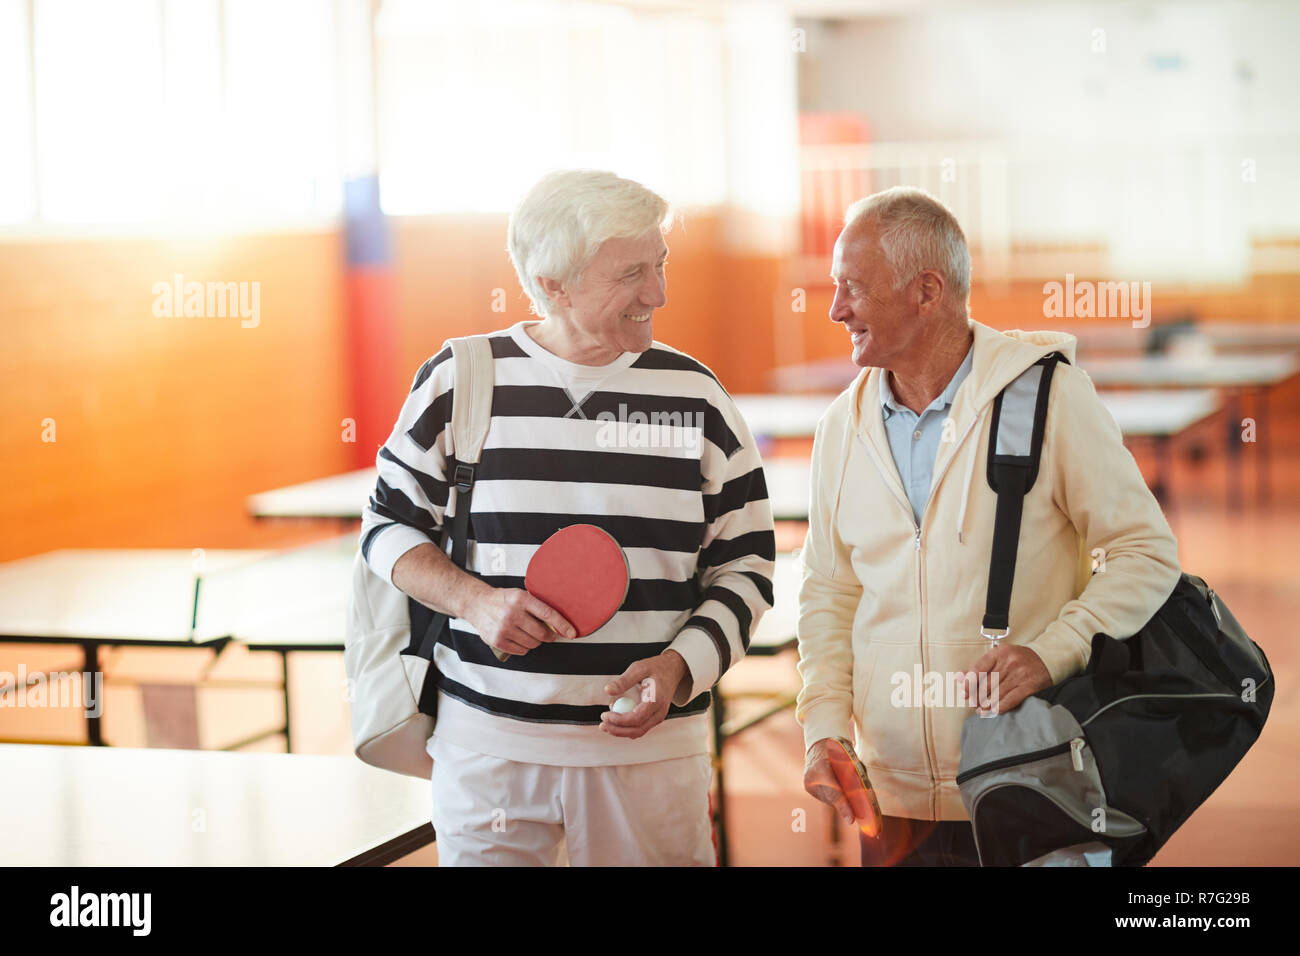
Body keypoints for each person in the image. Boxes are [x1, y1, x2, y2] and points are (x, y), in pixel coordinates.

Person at [359, 169, 775, 866]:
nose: (659, 294)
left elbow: (748, 564)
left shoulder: (694, 397)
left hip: (650, 761)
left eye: (661, 264)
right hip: (488, 752)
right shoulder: (461, 379)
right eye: (632, 273)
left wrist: (679, 667)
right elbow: (386, 529)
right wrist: (476, 602)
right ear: (554, 285)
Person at [795, 186, 1180, 866]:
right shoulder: (839, 428)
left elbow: (1144, 553)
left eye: (853, 288)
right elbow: (830, 593)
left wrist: (1051, 650)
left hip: (1027, 778)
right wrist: (824, 730)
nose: (835, 309)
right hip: (891, 801)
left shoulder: (1051, 399)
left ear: (927, 290)